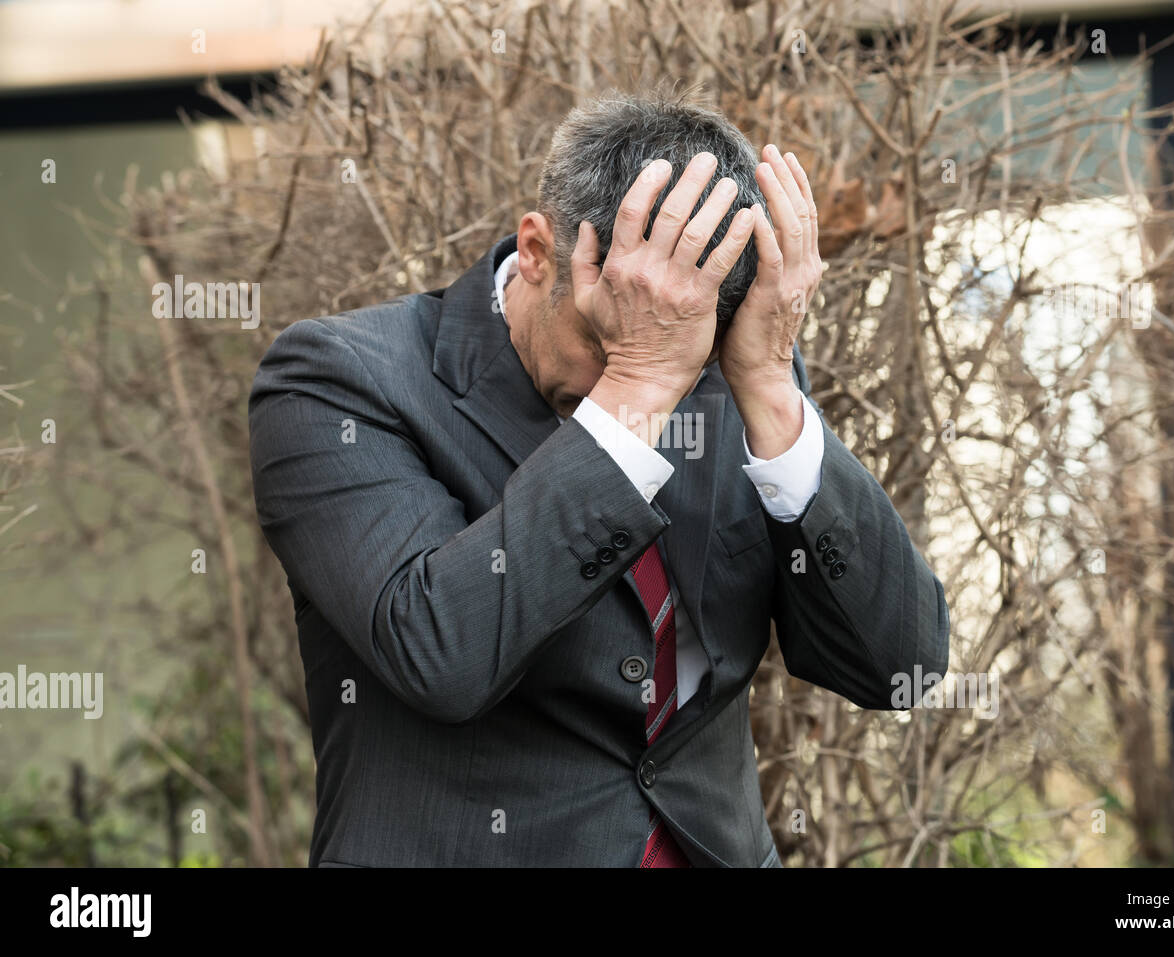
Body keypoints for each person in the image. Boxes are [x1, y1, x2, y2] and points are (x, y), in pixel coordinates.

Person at [248, 91, 949, 867]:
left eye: (686, 350)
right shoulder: (339, 381)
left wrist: (777, 398)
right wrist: (637, 385)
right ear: (537, 250)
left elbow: (900, 669)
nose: (659, 367)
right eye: (604, 333)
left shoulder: (728, 371)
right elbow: (439, 652)